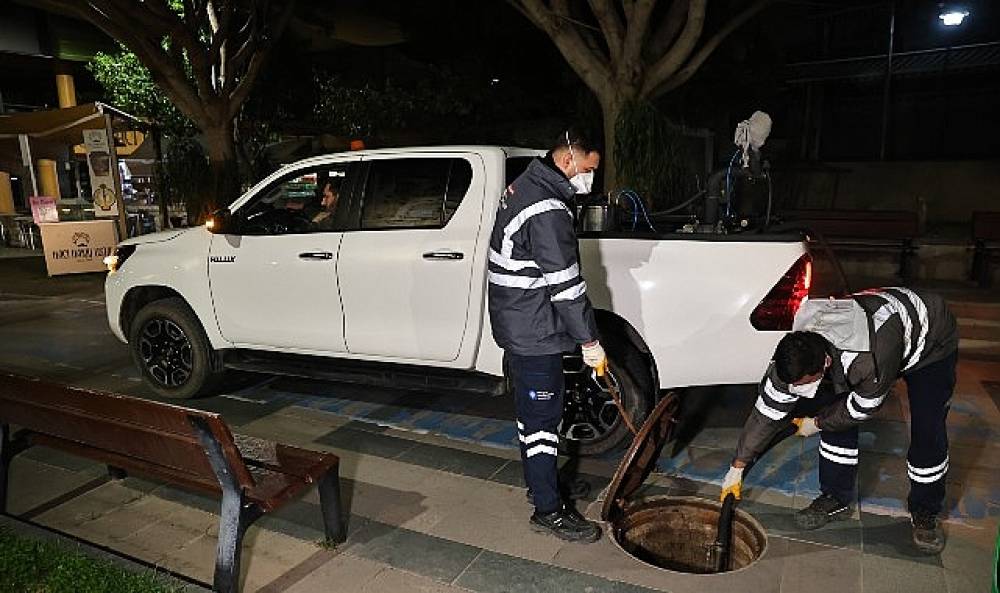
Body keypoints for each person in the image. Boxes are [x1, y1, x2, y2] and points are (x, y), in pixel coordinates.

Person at [720, 287, 959, 554]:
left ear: (825, 363)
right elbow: (766, 413)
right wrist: (738, 466)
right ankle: (835, 497)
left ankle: (925, 511)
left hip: (930, 341)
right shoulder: (791, 357)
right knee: (833, 414)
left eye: (804, 384)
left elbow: (861, 408)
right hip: (868, 331)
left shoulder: (866, 362)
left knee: (928, 431)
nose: (798, 392)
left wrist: (817, 423)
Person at [487, 129, 606, 543]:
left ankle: (543, 484)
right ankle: (547, 510)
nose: (590, 178)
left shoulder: (528, 183)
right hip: (534, 328)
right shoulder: (547, 208)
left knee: (532, 417)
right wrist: (590, 342)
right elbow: (567, 287)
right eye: (589, 168)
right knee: (541, 421)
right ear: (570, 158)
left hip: (520, 319)